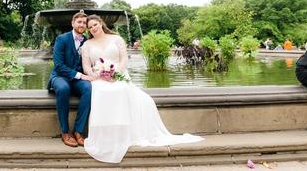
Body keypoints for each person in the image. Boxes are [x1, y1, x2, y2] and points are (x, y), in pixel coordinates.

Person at [81, 15, 203, 163]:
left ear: (101, 23)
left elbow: (124, 59)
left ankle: (123, 131)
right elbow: (87, 66)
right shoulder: (87, 44)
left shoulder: (117, 39)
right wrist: (97, 74)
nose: (93, 28)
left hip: (119, 74)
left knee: (120, 90)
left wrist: (115, 73)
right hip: (99, 77)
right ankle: (105, 134)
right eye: (90, 27)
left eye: (95, 25)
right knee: (99, 91)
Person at [47, 12, 95, 148]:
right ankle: (65, 132)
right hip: (60, 76)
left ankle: (78, 131)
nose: (82, 25)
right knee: (63, 88)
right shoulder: (61, 39)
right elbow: (59, 65)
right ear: (73, 23)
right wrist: (80, 75)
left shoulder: (87, 42)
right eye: (79, 22)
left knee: (88, 88)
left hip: (77, 79)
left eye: (84, 23)